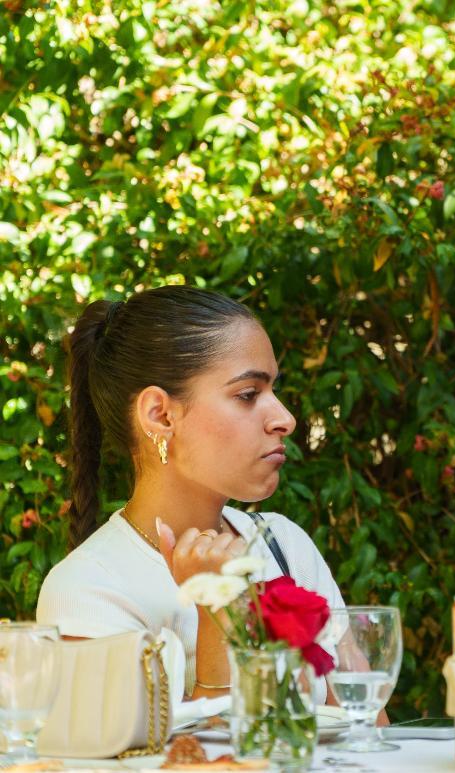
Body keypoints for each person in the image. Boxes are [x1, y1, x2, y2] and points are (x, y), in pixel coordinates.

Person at [37, 285, 345, 700]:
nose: (285, 419)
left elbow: (368, 724)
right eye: (248, 395)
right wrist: (216, 611)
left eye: (274, 390)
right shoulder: (88, 591)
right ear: (161, 415)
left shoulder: (284, 546)